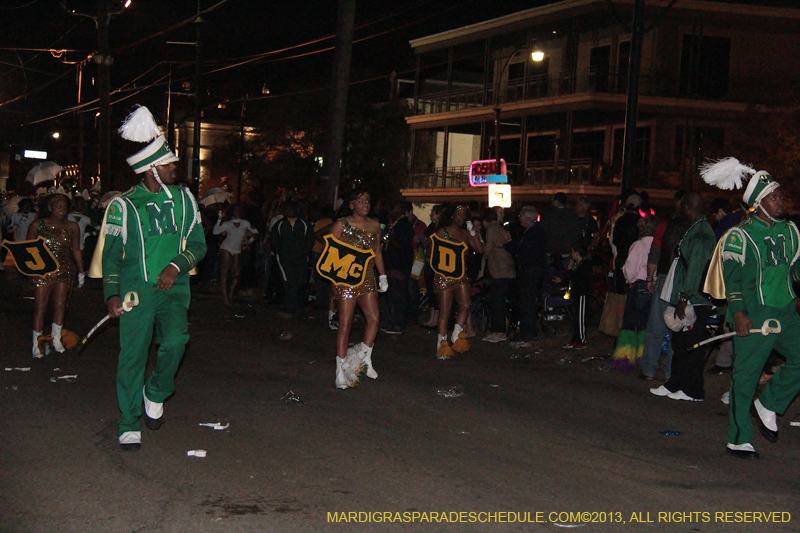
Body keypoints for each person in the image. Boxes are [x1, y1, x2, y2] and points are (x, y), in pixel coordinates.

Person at [101, 106, 207, 451]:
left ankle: (156, 392)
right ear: (151, 169)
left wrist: (176, 266)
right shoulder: (124, 205)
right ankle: (129, 421)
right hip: (135, 293)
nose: (175, 167)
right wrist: (112, 293)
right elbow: (111, 255)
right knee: (132, 356)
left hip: (174, 289)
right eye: (169, 164)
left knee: (176, 341)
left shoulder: (184, 199)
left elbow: (198, 243)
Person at [702, 168, 800, 459]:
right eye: (774, 197)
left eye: (781, 195)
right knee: (745, 379)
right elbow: (731, 280)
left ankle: (769, 403)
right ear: (758, 202)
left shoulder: (791, 231)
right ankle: (739, 437)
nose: (781, 200)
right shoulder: (739, 236)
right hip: (754, 314)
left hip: (786, 311)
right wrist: (739, 313)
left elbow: (794, 270)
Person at [650, 192, 715, 402]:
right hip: (688, 296)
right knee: (680, 343)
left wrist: (685, 298)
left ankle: (693, 389)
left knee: (692, 345)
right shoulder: (695, 229)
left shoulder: (701, 234)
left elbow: (695, 269)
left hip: (695, 299)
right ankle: (675, 383)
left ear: (687, 207)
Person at [329, 191, 388, 388]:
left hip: (367, 276)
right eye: (360, 201)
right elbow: (331, 252)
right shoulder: (341, 224)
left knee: (374, 318)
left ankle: (363, 357)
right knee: (345, 323)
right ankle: (340, 369)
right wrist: (335, 278)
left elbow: (377, 252)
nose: (365, 204)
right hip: (346, 277)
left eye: (368, 201)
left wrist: (382, 275)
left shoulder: (374, 225)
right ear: (352, 204)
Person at [27, 193, 84, 358]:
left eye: (65, 207)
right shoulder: (38, 225)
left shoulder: (72, 227)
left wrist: (81, 272)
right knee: (40, 305)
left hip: (64, 269)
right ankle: (37, 342)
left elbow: (76, 250)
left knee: (60, 304)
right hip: (43, 270)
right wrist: (31, 269)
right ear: (50, 208)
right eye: (58, 206)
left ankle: (56, 338)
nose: (62, 210)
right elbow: (28, 248)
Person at [639, 194, 690, 381]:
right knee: (677, 325)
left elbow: (656, 253)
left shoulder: (665, 226)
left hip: (665, 276)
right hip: (682, 279)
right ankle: (670, 372)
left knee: (656, 324)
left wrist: (650, 278)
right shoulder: (694, 227)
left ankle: (649, 369)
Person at [432, 204, 484, 358]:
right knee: (445, 311)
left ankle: (456, 333)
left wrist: (473, 232)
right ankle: (441, 344)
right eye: (459, 214)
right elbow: (432, 252)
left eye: (464, 215)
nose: (461, 218)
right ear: (452, 215)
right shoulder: (443, 232)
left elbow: (480, 250)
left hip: (460, 275)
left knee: (466, 304)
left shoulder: (465, 233)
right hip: (444, 275)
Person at [611, 214, 657, 370]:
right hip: (653, 286)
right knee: (646, 323)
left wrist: (625, 273)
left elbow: (630, 269)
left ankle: (625, 356)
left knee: (630, 323)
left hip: (638, 287)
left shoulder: (638, 245)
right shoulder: (658, 245)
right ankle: (643, 355)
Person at [507, 205, 547, 345]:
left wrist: (509, 246)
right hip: (533, 271)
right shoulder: (535, 230)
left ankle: (528, 331)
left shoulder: (534, 232)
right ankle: (530, 330)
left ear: (527, 217)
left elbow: (525, 250)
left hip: (530, 271)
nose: (520, 219)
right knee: (528, 301)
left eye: (521, 216)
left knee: (527, 301)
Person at [271, 202, 313, 316]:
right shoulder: (280, 224)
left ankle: (293, 303)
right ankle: (290, 306)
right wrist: (279, 253)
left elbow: (309, 240)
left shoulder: (304, 224)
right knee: (287, 280)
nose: (289, 211)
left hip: (301, 258)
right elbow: (274, 240)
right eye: (287, 209)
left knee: (300, 280)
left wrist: (304, 253)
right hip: (285, 258)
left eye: (291, 209)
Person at [213, 204, 258, 306]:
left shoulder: (245, 223)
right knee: (225, 272)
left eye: (239, 210)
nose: (237, 212)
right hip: (226, 248)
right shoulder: (227, 223)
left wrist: (248, 242)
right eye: (235, 210)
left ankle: (231, 293)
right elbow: (216, 232)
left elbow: (255, 232)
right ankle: (226, 298)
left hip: (237, 249)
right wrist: (219, 219)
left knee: (236, 273)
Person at [481, 207, 515, 343]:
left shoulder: (491, 229)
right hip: (507, 269)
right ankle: (498, 330)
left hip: (499, 271)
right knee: (498, 301)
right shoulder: (501, 228)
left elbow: (487, 250)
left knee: (497, 301)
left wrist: (480, 246)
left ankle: (499, 331)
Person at [382, 203, 414, 334]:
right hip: (391, 265)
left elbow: (402, 245)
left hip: (398, 266)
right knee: (391, 295)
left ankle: (398, 323)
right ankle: (392, 321)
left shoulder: (403, 225)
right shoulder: (395, 224)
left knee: (398, 295)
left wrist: (389, 237)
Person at [553, 242, 592, 349]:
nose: (571, 255)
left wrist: (569, 271)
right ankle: (575, 338)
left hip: (582, 294)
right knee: (575, 317)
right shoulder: (578, 265)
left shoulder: (585, 265)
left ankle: (582, 339)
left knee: (580, 317)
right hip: (576, 294)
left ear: (577, 253)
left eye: (572, 252)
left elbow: (577, 278)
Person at [541, 192, 581, 268]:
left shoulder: (548, 216)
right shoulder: (573, 217)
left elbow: (543, 233)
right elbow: (577, 234)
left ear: (556, 202)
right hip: (567, 251)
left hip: (551, 251)